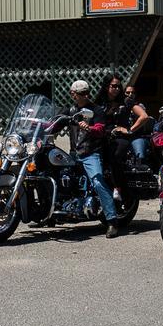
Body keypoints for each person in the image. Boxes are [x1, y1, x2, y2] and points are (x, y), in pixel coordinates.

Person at [64, 80, 121, 238]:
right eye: (81, 93)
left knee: (97, 181)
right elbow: (55, 122)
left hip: (90, 153)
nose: (85, 95)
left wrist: (89, 128)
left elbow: (100, 129)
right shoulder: (71, 110)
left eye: (86, 92)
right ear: (72, 94)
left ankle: (112, 221)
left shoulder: (96, 110)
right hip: (74, 153)